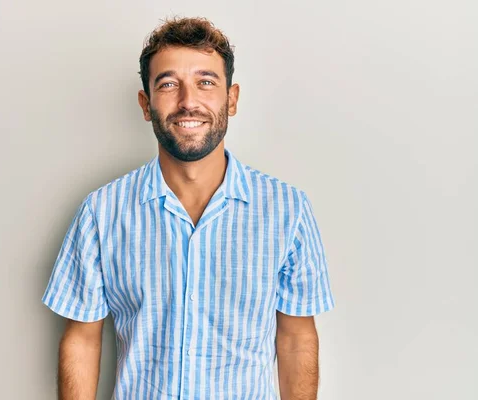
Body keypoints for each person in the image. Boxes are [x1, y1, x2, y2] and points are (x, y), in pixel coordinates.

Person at [42, 16, 335, 400]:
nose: (188, 102)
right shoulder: (101, 213)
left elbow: (297, 338)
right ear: (146, 104)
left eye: (206, 82)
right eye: (168, 84)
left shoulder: (288, 210)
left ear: (231, 99)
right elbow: (81, 339)